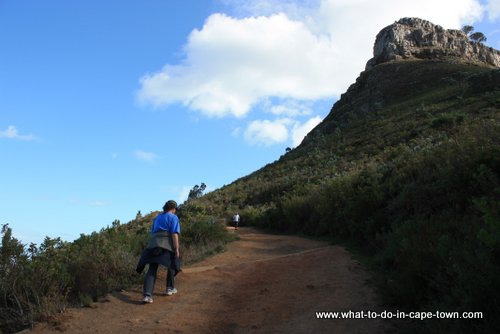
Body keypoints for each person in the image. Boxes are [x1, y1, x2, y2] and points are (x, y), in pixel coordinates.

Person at [136, 200, 181, 304]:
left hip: (153, 244)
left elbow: (152, 233)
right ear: (173, 209)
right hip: (166, 244)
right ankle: (169, 288)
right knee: (172, 264)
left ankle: (147, 295)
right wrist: (176, 248)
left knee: (152, 267)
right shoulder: (174, 217)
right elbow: (174, 234)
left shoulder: (157, 218)